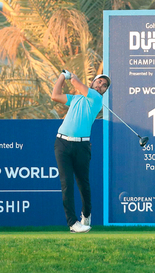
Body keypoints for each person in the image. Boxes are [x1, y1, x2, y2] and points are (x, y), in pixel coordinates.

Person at [51, 69, 110, 234]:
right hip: (62, 143)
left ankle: (86, 213)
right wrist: (62, 76)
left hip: (82, 146)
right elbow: (55, 95)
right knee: (66, 183)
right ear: (92, 82)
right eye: (99, 81)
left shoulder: (97, 99)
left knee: (83, 183)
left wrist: (71, 76)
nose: (101, 85)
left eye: (104, 85)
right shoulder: (76, 98)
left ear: (104, 91)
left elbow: (76, 83)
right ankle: (72, 223)